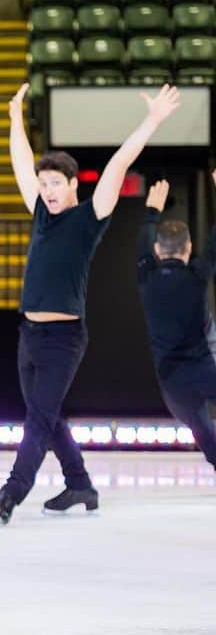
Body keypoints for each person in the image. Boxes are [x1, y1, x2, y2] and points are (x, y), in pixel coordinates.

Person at [0, 83, 181, 524]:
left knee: (38, 421)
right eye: (44, 183)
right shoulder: (39, 211)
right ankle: (80, 484)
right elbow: (20, 161)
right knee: (47, 417)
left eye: (55, 183)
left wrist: (151, 121)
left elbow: (118, 165)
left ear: (74, 185)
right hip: (29, 336)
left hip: (63, 339)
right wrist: (16, 119)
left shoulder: (88, 217)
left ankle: (11, 494)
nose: (48, 190)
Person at [136, 173, 216, 470]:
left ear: (157, 251)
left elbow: (142, 244)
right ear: (189, 248)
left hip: (172, 382)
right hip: (206, 371)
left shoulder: (146, 277)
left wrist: (151, 212)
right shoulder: (197, 276)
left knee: (203, 432)